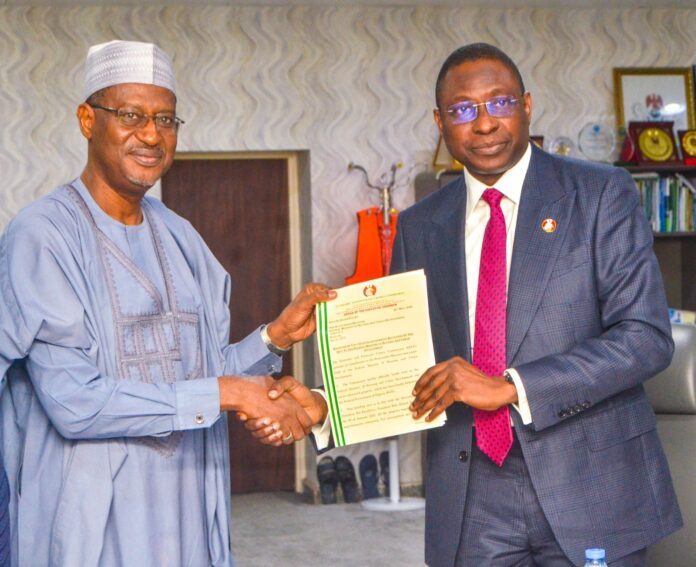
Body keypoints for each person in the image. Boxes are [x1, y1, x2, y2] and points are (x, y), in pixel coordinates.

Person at [255, 42, 684, 566]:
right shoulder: (420, 225)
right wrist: (329, 410)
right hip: (472, 495)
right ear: (440, 123)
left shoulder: (599, 195)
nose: (484, 123)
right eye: (462, 110)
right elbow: (408, 366)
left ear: (527, 105)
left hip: (591, 484)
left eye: (500, 102)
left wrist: (511, 387)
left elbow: (644, 338)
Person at [0, 40, 332, 567]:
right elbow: (74, 402)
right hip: (91, 520)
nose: (152, 135)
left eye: (165, 119)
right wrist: (230, 393)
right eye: (130, 115)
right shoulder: (43, 235)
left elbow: (200, 372)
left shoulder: (180, 236)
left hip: (186, 509)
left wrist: (274, 338)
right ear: (87, 120)